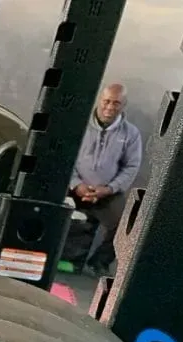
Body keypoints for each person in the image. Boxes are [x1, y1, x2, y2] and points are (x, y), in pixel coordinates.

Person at [64, 83, 144, 278]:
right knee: (59, 212)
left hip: (108, 192)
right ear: (100, 100)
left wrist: (109, 189)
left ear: (123, 105)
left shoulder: (131, 134)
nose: (110, 107)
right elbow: (65, 157)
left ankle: (98, 263)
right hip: (75, 188)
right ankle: (68, 261)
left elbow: (131, 167)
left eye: (116, 103)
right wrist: (76, 184)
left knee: (126, 225)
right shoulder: (78, 125)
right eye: (106, 101)